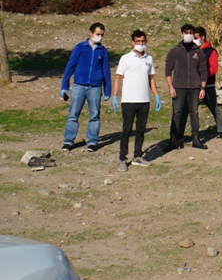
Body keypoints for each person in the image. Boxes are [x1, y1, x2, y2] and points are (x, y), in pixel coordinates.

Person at [111, 29, 159, 170]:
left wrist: (156, 95)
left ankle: (138, 155)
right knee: (126, 130)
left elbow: (151, 78)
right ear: (133, 42)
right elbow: (118, 77)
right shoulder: (125, 58)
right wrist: (115, 95)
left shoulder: (149, 59)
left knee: (140, 130)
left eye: (143, 41)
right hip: (129, 100)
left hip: (144, 100)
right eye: (138, 41)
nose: (141, 44)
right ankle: (122, 158)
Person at [60, 22, 111, 152]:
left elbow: (106, 71)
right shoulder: (80, 47)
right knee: (73, 114)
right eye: (97, 34)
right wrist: (65, 85)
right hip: (79, 86)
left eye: (101, 35)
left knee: (94, 115)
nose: (99, 37)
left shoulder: (103, 51)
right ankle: (68, 141)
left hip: (95, 87)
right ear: (90, 33)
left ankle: (92, 141)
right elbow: (70, 66)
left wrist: (107, 90)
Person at [165, 24, 208, 150]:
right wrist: (171, 87)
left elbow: (203, 71)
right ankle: (173, 140)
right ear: (181, 34)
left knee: (194, 113)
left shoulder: (198, 52)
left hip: (195, 87)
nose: (188, 35)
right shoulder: (174, 51)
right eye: (186, 32)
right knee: (177, 113)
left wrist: (202, 88)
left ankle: (196, 139)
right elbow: (168, 70)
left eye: (191, 32)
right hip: (179, 87)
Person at [194, 27, 222, 141]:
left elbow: (213, 68)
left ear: (202, 37)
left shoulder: (211, 51)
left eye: (196, 38)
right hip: (193, 86)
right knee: (191, 110)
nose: (194, 40)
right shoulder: (191, 50)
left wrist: (202, 77)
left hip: (208, 85)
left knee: (214, 108)